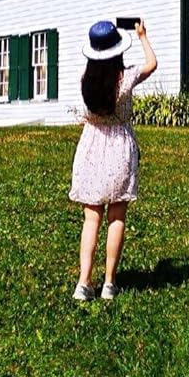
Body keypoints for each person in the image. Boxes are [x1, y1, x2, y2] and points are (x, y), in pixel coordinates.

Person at [69, 18, 156, 301]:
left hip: (92, 147)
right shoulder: (126, 79)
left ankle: (84, 282)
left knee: (91, 219)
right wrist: (141, 35)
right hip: (119, 148)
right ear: (118, 51)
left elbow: (94, 64)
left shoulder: (86, 81)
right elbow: (151, 64)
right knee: (116, 216)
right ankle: (109, 282)